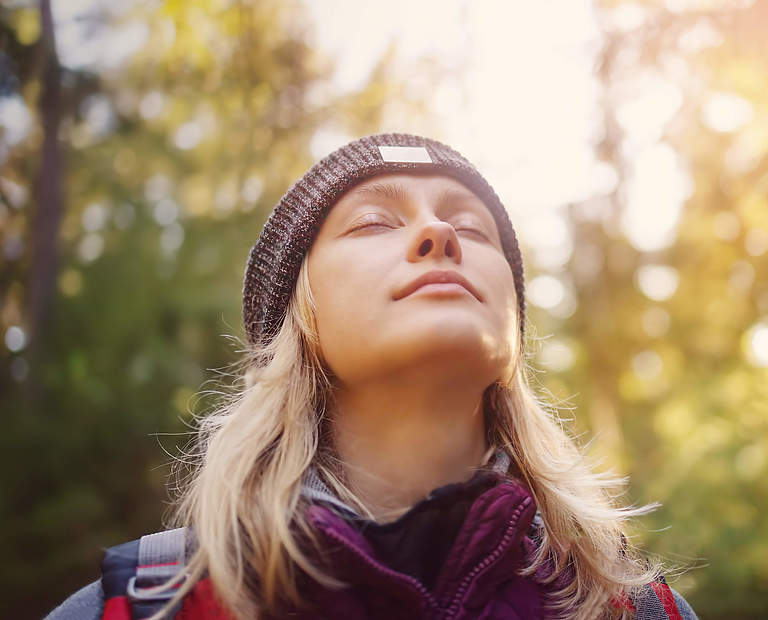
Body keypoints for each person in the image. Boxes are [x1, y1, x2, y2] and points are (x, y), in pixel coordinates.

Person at [46, 133, 698, 619]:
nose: (440, 232)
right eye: (374, 222)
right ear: (299, 320)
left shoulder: (638, 611)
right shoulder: (139, 607)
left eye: (472, 227)